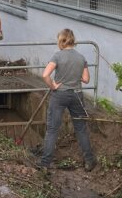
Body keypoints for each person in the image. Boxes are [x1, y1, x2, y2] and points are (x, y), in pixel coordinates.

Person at [38, 28, 96, 171]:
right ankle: (89, 161)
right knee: (81, 129)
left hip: (59, 95)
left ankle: (45, 164)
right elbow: (86, 79)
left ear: (61, 41)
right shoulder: (81, 58)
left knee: (52, 129)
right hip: (76, 95)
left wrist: (53, 85)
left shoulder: (57, 56)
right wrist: (75, 76)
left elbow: (45, 75)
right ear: (73, 40)